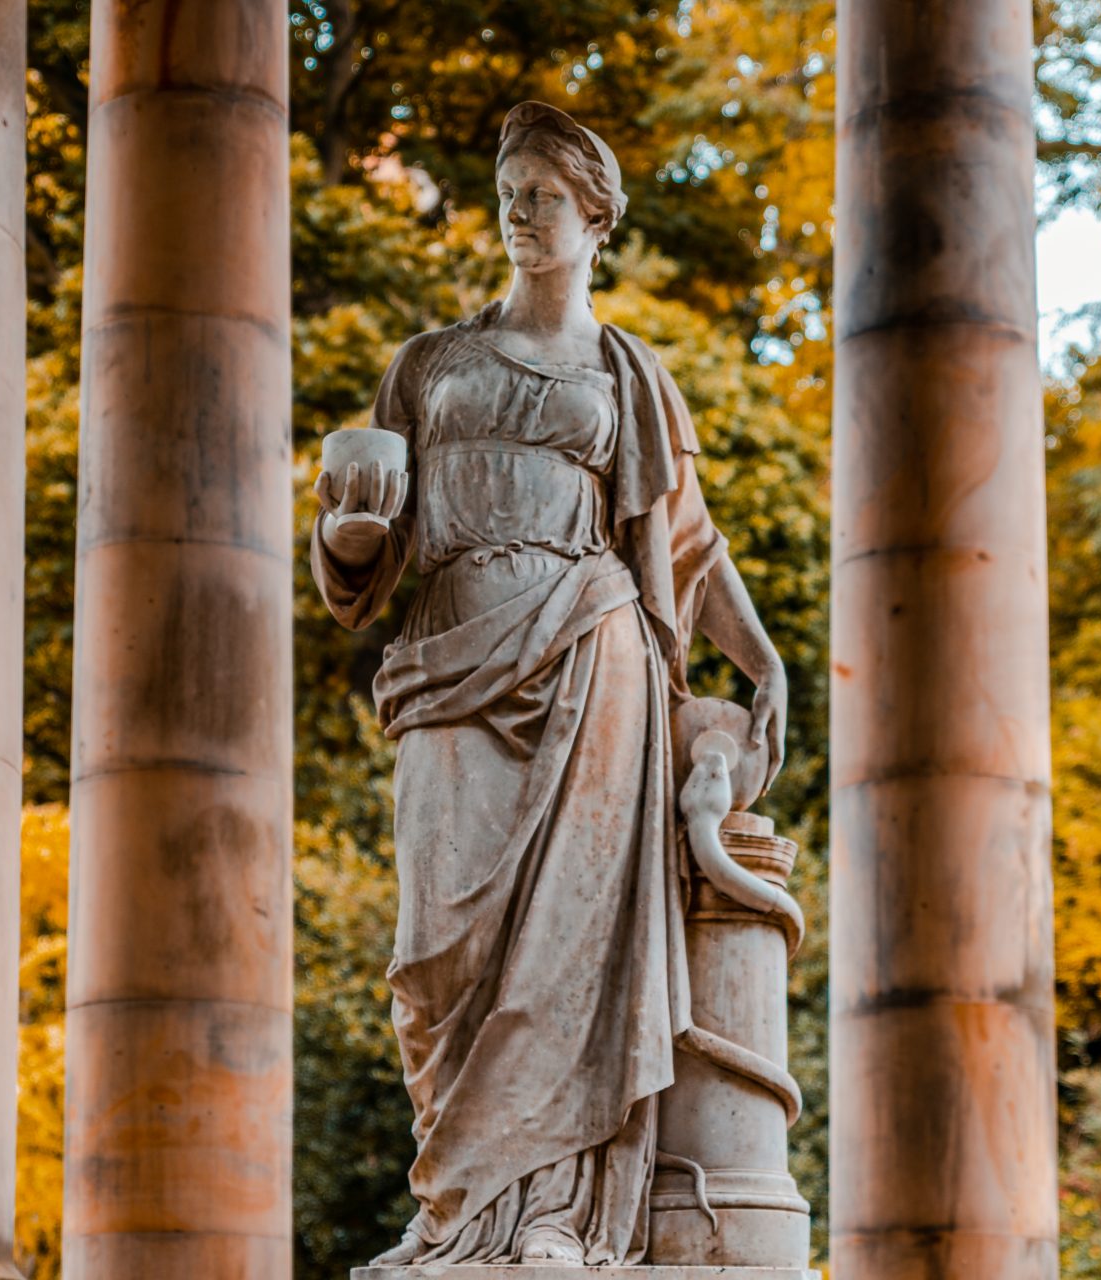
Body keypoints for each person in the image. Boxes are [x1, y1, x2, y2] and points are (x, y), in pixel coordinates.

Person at [310, 100, 785, 1268]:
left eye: (542, 195)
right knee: (438, 951)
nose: (518, 213)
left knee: (574, 948)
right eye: (507, 194)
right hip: (449, 664)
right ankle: (457, 1207)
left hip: (590, 654)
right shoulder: (428, 364)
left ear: (596, 216)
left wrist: (761, 655)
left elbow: (683, 543)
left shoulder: (630, 373)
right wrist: (354, 540)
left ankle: (555, 1217)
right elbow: (361, 551)